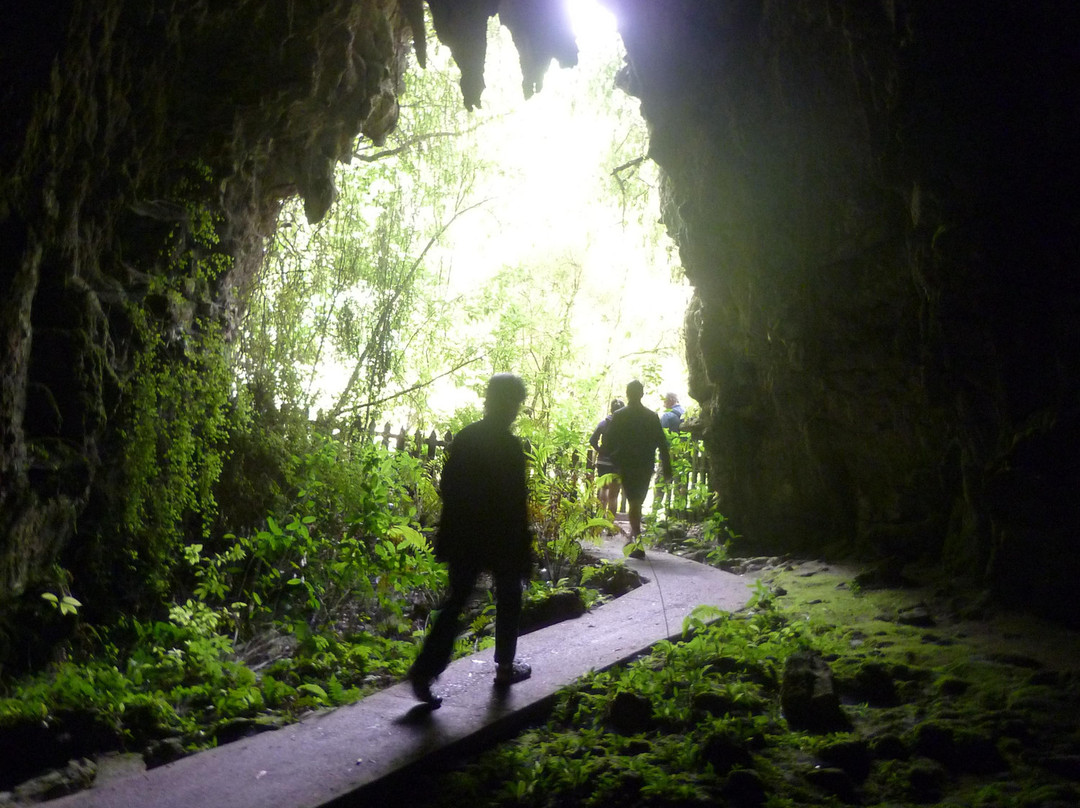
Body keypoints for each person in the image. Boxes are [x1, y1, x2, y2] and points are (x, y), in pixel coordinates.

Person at [408, 374, 534, 706]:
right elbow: (516, 503)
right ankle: (505, 667)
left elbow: (448, 487)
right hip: (501, 539)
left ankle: (424, 671)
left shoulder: (467, 438)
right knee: (509, 596)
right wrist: (523, 549)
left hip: (465, 535)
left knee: (456, 602)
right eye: (516, 404)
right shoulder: (510, 447)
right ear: (510, 405)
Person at [604, 380, 673, 557]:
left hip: (627, 463)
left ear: (627, 393)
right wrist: (666, 468)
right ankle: (636, 540)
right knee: (637, 500)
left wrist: (615, 458)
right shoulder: (651, 416)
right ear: (642, 394)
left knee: (634, 500)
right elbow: (662, 444)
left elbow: (608, 442)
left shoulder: (619, 415)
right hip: (645, 463)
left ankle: (635, 541)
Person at [589, 398, 624, 515]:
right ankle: (610, 525)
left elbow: (592, 440)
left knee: (603, 489)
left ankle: (599, 522)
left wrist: (600, 450)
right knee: (614, 495)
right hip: (618, 463)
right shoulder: (626, 426)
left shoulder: (604, 423)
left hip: (603, 461)